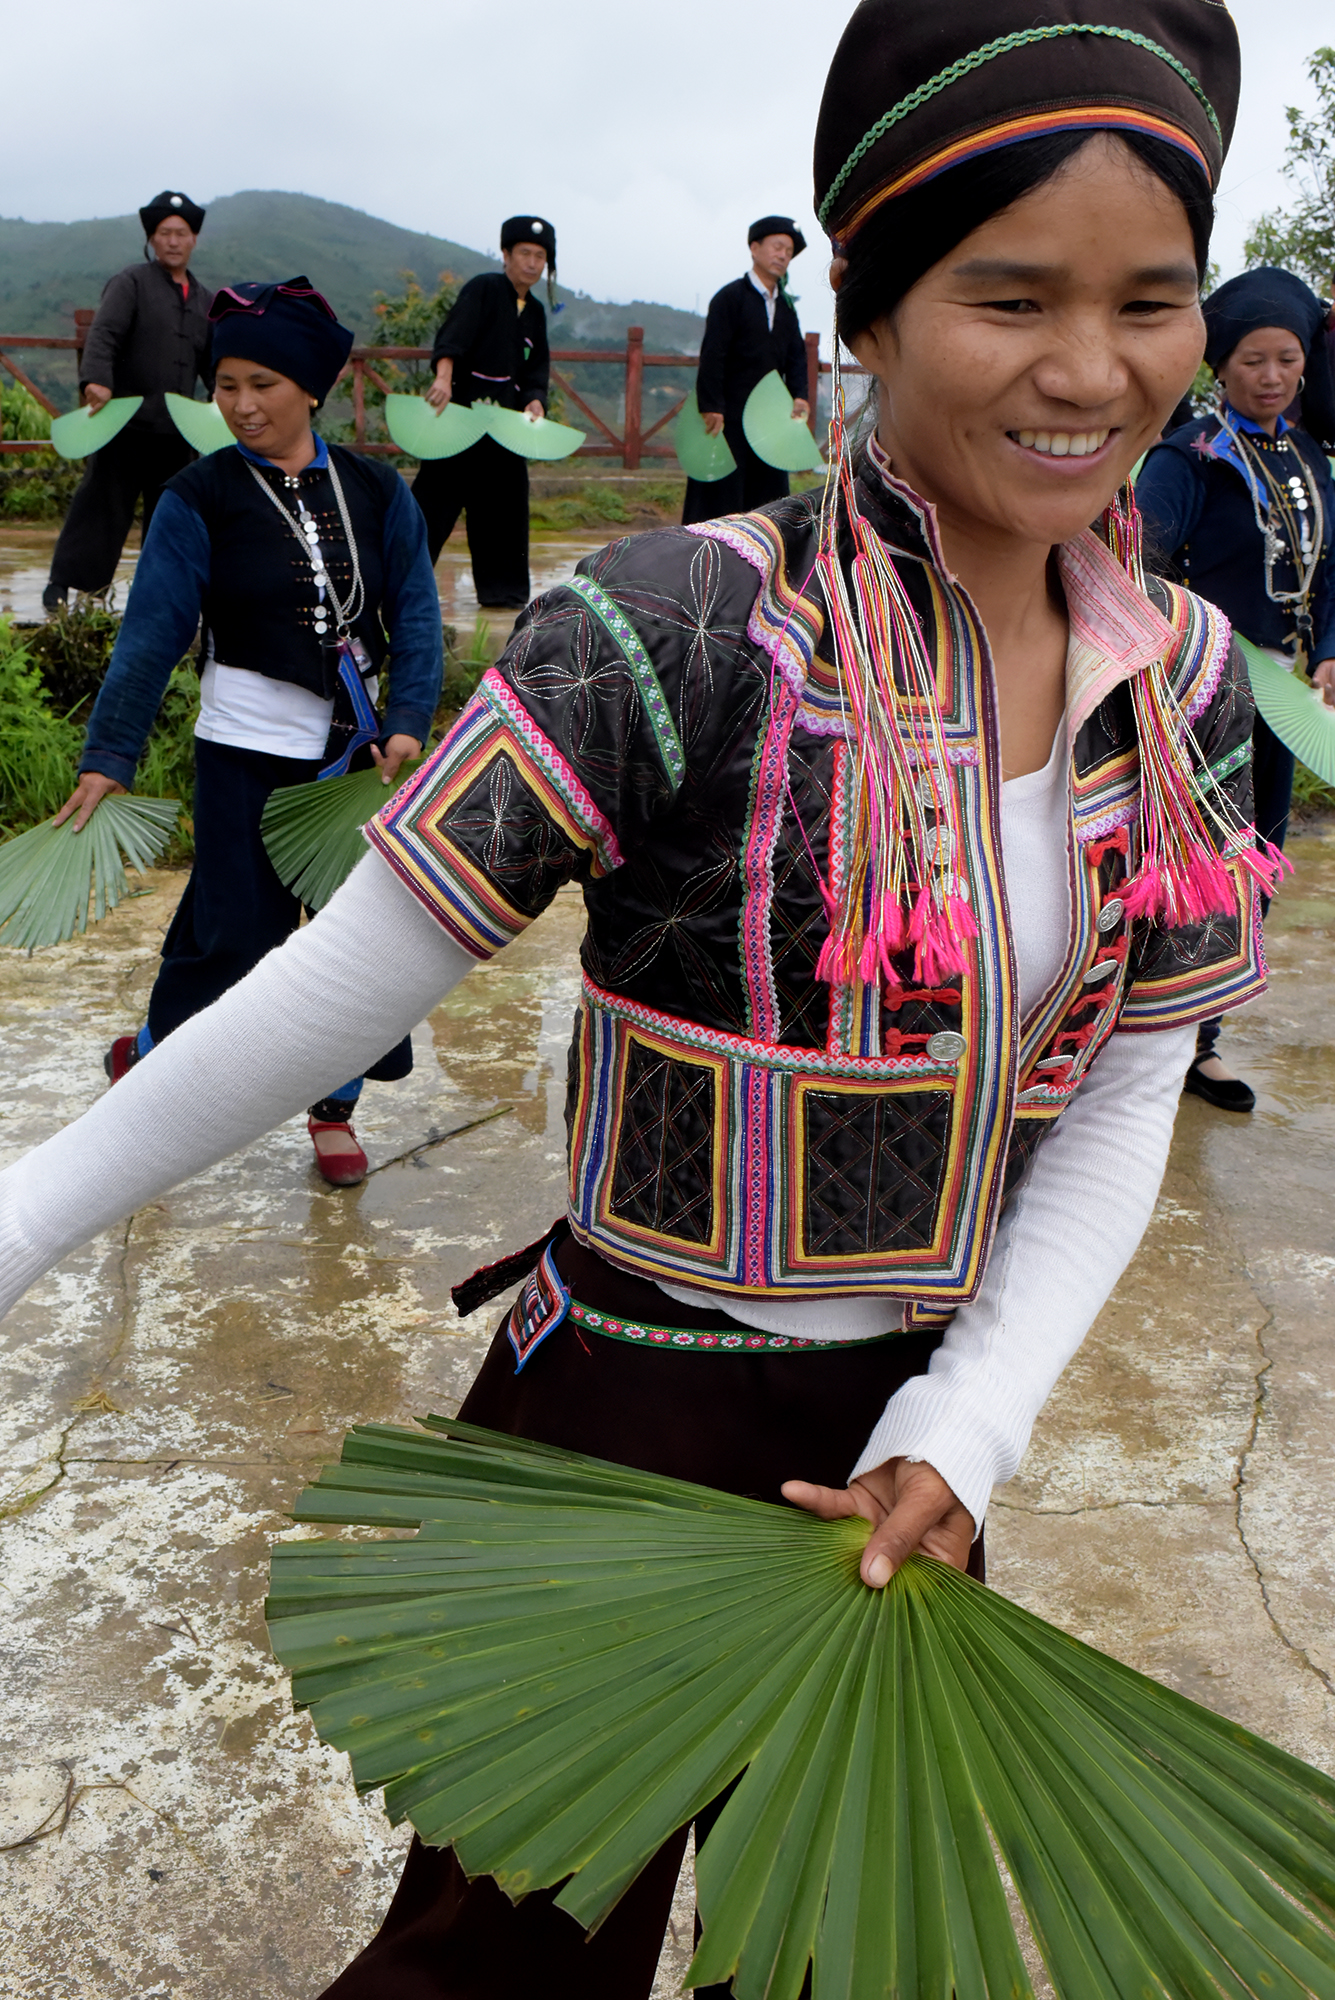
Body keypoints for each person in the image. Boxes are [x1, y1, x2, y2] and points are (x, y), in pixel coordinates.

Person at [0, 1, 1272, 1992]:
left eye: (1149, 301)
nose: (1086, 370)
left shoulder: (1180, 674)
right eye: (1008, 296)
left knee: (837, 1947)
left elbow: (1125, 1083)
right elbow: (336, 983)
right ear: (863, 300)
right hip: (624, 1403)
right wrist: (15, 1223)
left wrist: (974, 1417)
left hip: (911, 1449)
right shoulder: (678, 618)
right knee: (498, 1961)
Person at [53, 278, 442, 1187]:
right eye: (225, 385)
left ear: (310, 388)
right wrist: (108, 757)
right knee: (232, 934)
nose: (240, 405)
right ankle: (157, 1061)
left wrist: (410, 724)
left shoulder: (380, 491)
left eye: (261, 384)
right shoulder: (199, 496)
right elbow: (150, 636)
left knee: (359, 942)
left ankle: (334, 1103)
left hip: (355, 758)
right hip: (242, 749)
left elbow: (417, 615)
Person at [1137, 266, 1335, 1113]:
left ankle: (1200, 1041)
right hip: (1202, 691)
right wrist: (1187, 649)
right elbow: (1138, 564)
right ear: (1221, 367)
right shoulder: (1186, 459)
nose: (1271, 375)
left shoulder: (1309, 456)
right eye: (1253, 360)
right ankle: (1141, 1030)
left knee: (1254, 861)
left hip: (1283, 697)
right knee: (1188, 858)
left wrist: (1328, 649)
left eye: (1286, 359)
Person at [43, 191, 214, 611]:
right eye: (164, 233)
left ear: (194, 240)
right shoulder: (131, 283)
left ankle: (158, 597)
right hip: (125, 424)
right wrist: (97, 381)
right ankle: (67, 587)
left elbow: (212, 361)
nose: (173, 241)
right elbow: (104, 335)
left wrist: (221, 395)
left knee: (170, 518)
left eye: (181, 233)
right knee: (101, 508)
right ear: (152, 240)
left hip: (176, 432)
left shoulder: (206, 301)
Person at [409, 217, 555, 610]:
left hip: (504, 430)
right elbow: (452, 338)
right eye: (524, 253)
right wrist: (443, 378)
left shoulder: (536, 313)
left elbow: (535, 369)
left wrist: (535, 399)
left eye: (540, 256)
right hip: (460, 420)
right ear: (505, 255)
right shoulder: (484, 289)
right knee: (431, 508)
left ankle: (503, 597)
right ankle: (401, 586)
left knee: (504, 511)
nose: (531, 262)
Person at [681, 215, 811, 525]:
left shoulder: (787, 308)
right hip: (729, 416)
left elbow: (796, 356)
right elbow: (713, 355)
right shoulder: (730, 299)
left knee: (767, 503)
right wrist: (711, 406)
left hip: (769, 419)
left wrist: (800, 395)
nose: (783, 256)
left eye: (789, 251)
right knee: (721, 501)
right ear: (754, 248)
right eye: (777, 247)